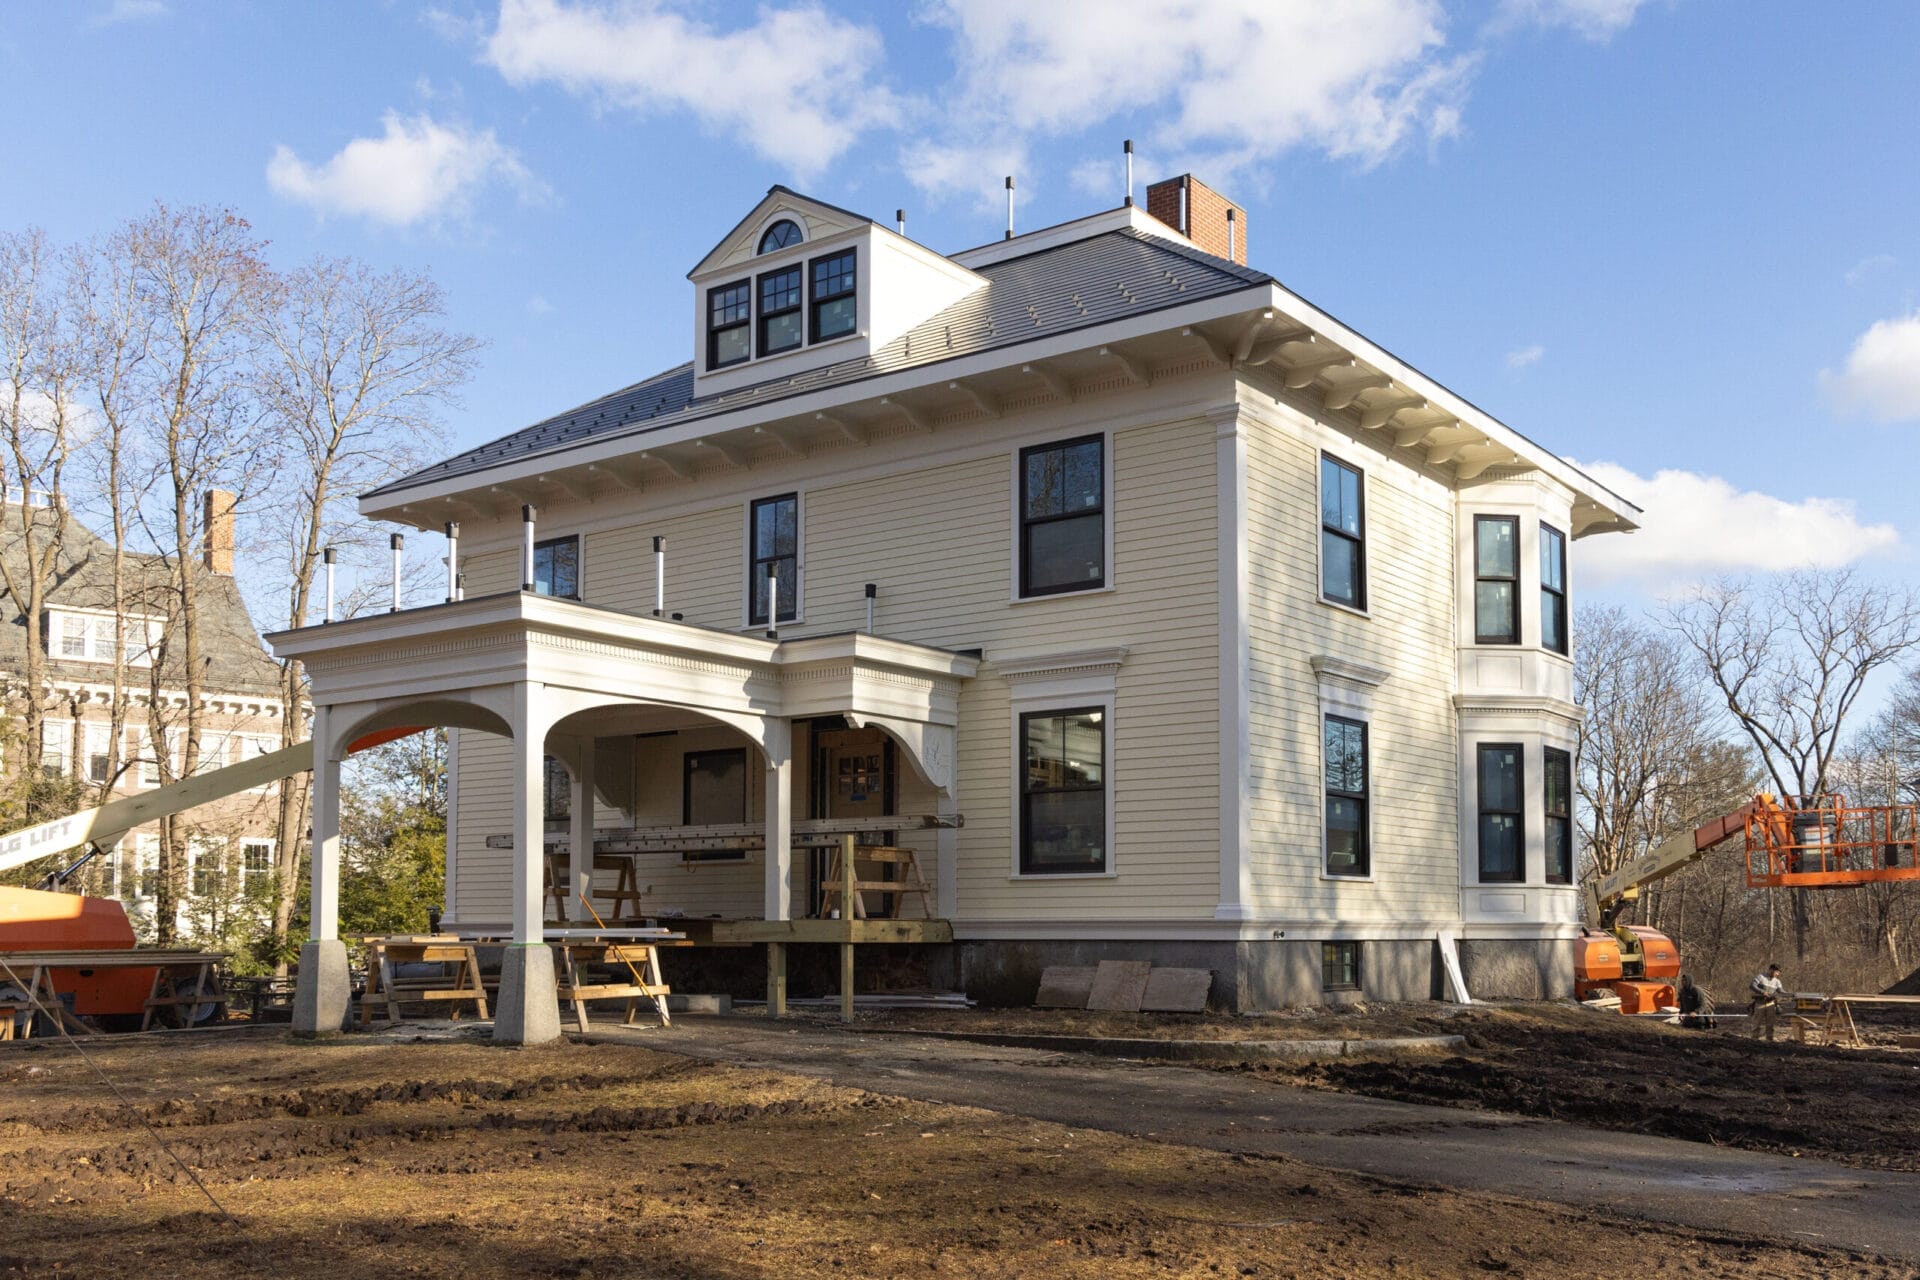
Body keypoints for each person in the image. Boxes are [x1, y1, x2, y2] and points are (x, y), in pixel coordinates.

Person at [1748, 963, 1785, 1041]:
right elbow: (1752, 985)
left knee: (1770, 1024)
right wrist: (1762, 992)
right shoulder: (1761, 977)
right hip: (1760, 1003)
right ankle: (1754, 1040)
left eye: (1778, 973)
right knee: (1757, 1023)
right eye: (1776, 972)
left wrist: (1787, 995)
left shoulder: (1777, 981)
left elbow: (1781, 991)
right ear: (1771, 970)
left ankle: (1769, 1040)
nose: (1777, 974)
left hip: (1771, 1004)